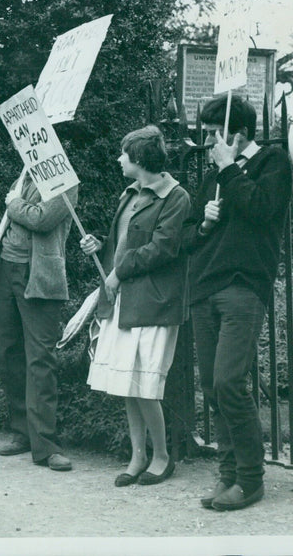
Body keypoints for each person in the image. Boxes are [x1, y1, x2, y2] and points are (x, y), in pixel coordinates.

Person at [184, 94, 292, 511]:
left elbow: (263, 209)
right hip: (205, 288)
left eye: (213, 134)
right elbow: (186, 236)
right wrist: (205, 223)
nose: (208, 141)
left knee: (230, 381)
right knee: (212, 385)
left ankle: (250, 479)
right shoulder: (212, 175)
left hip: (244, 286)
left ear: (238, 133)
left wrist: (230, 168)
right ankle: (228, 475)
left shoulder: (272, 162)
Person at [79, 125, 191, 488]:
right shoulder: (130, 194)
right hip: (125, 299)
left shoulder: (176, 197)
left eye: (123, 154)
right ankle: (137, 455)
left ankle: (161, 455)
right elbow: (124, 241)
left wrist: (118, 272)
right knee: (128, 382)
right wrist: (100, 245)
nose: (118, 159)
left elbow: (163, 248)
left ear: (139, 158)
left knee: (145, 384)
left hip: (154, 301)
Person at [0, 172, 78, 472]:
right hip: (6, 271)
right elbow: (9, 224)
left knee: (40, 358)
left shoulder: (64, 180)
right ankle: (22, 432)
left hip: (38, 276)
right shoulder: (21, 175)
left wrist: (13, 202)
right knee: (9, 353)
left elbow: (41, 218)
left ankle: (46, 445)